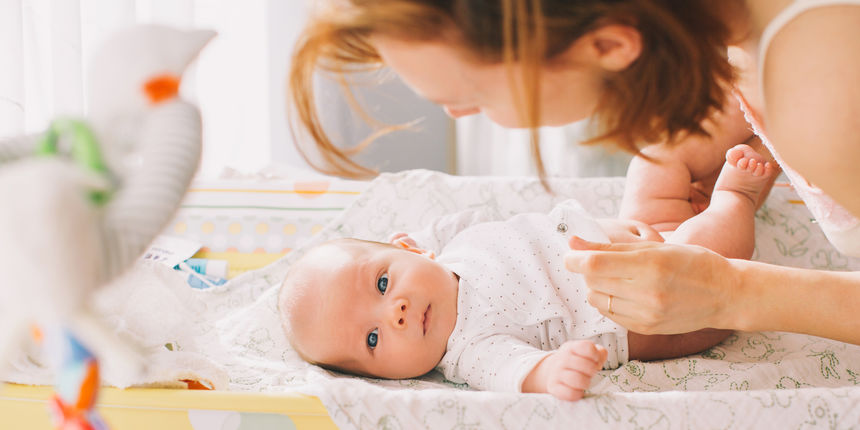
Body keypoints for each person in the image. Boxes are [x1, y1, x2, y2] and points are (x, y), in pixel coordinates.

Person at [287, 1, 860, 345]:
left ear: (608, 44)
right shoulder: (743, 40)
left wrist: (735, 294)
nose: (454, 114)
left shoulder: (826, 100)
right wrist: (727, 122)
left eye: (472, 98)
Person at [279, 148, 773, 400]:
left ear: (408, 246)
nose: (397, 313)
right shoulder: (467, 349)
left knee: (654, 161)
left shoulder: (451, 243)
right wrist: (556, 371)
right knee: (713, 250)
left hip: (633, 233)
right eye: (371, 339)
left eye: (383, 285)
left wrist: (612, 229)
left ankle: (745, 125)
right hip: (667, 307)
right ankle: (737, 198)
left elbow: (519, 225)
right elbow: (520, 373)